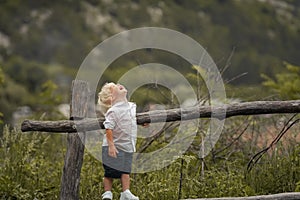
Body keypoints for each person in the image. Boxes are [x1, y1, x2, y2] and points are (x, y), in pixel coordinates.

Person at [98, 82, 139, 200]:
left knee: (126, 171)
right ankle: (107, 193)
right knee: (110, 172)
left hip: (128, 145)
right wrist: (111, 145)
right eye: (114, 87)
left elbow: (133, 119)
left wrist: (143, 123)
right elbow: (109, 128)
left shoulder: (131, 106)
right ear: (111, 98)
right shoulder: (113, 111)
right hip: (114, 147)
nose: (119, 84)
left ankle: (126, 192)